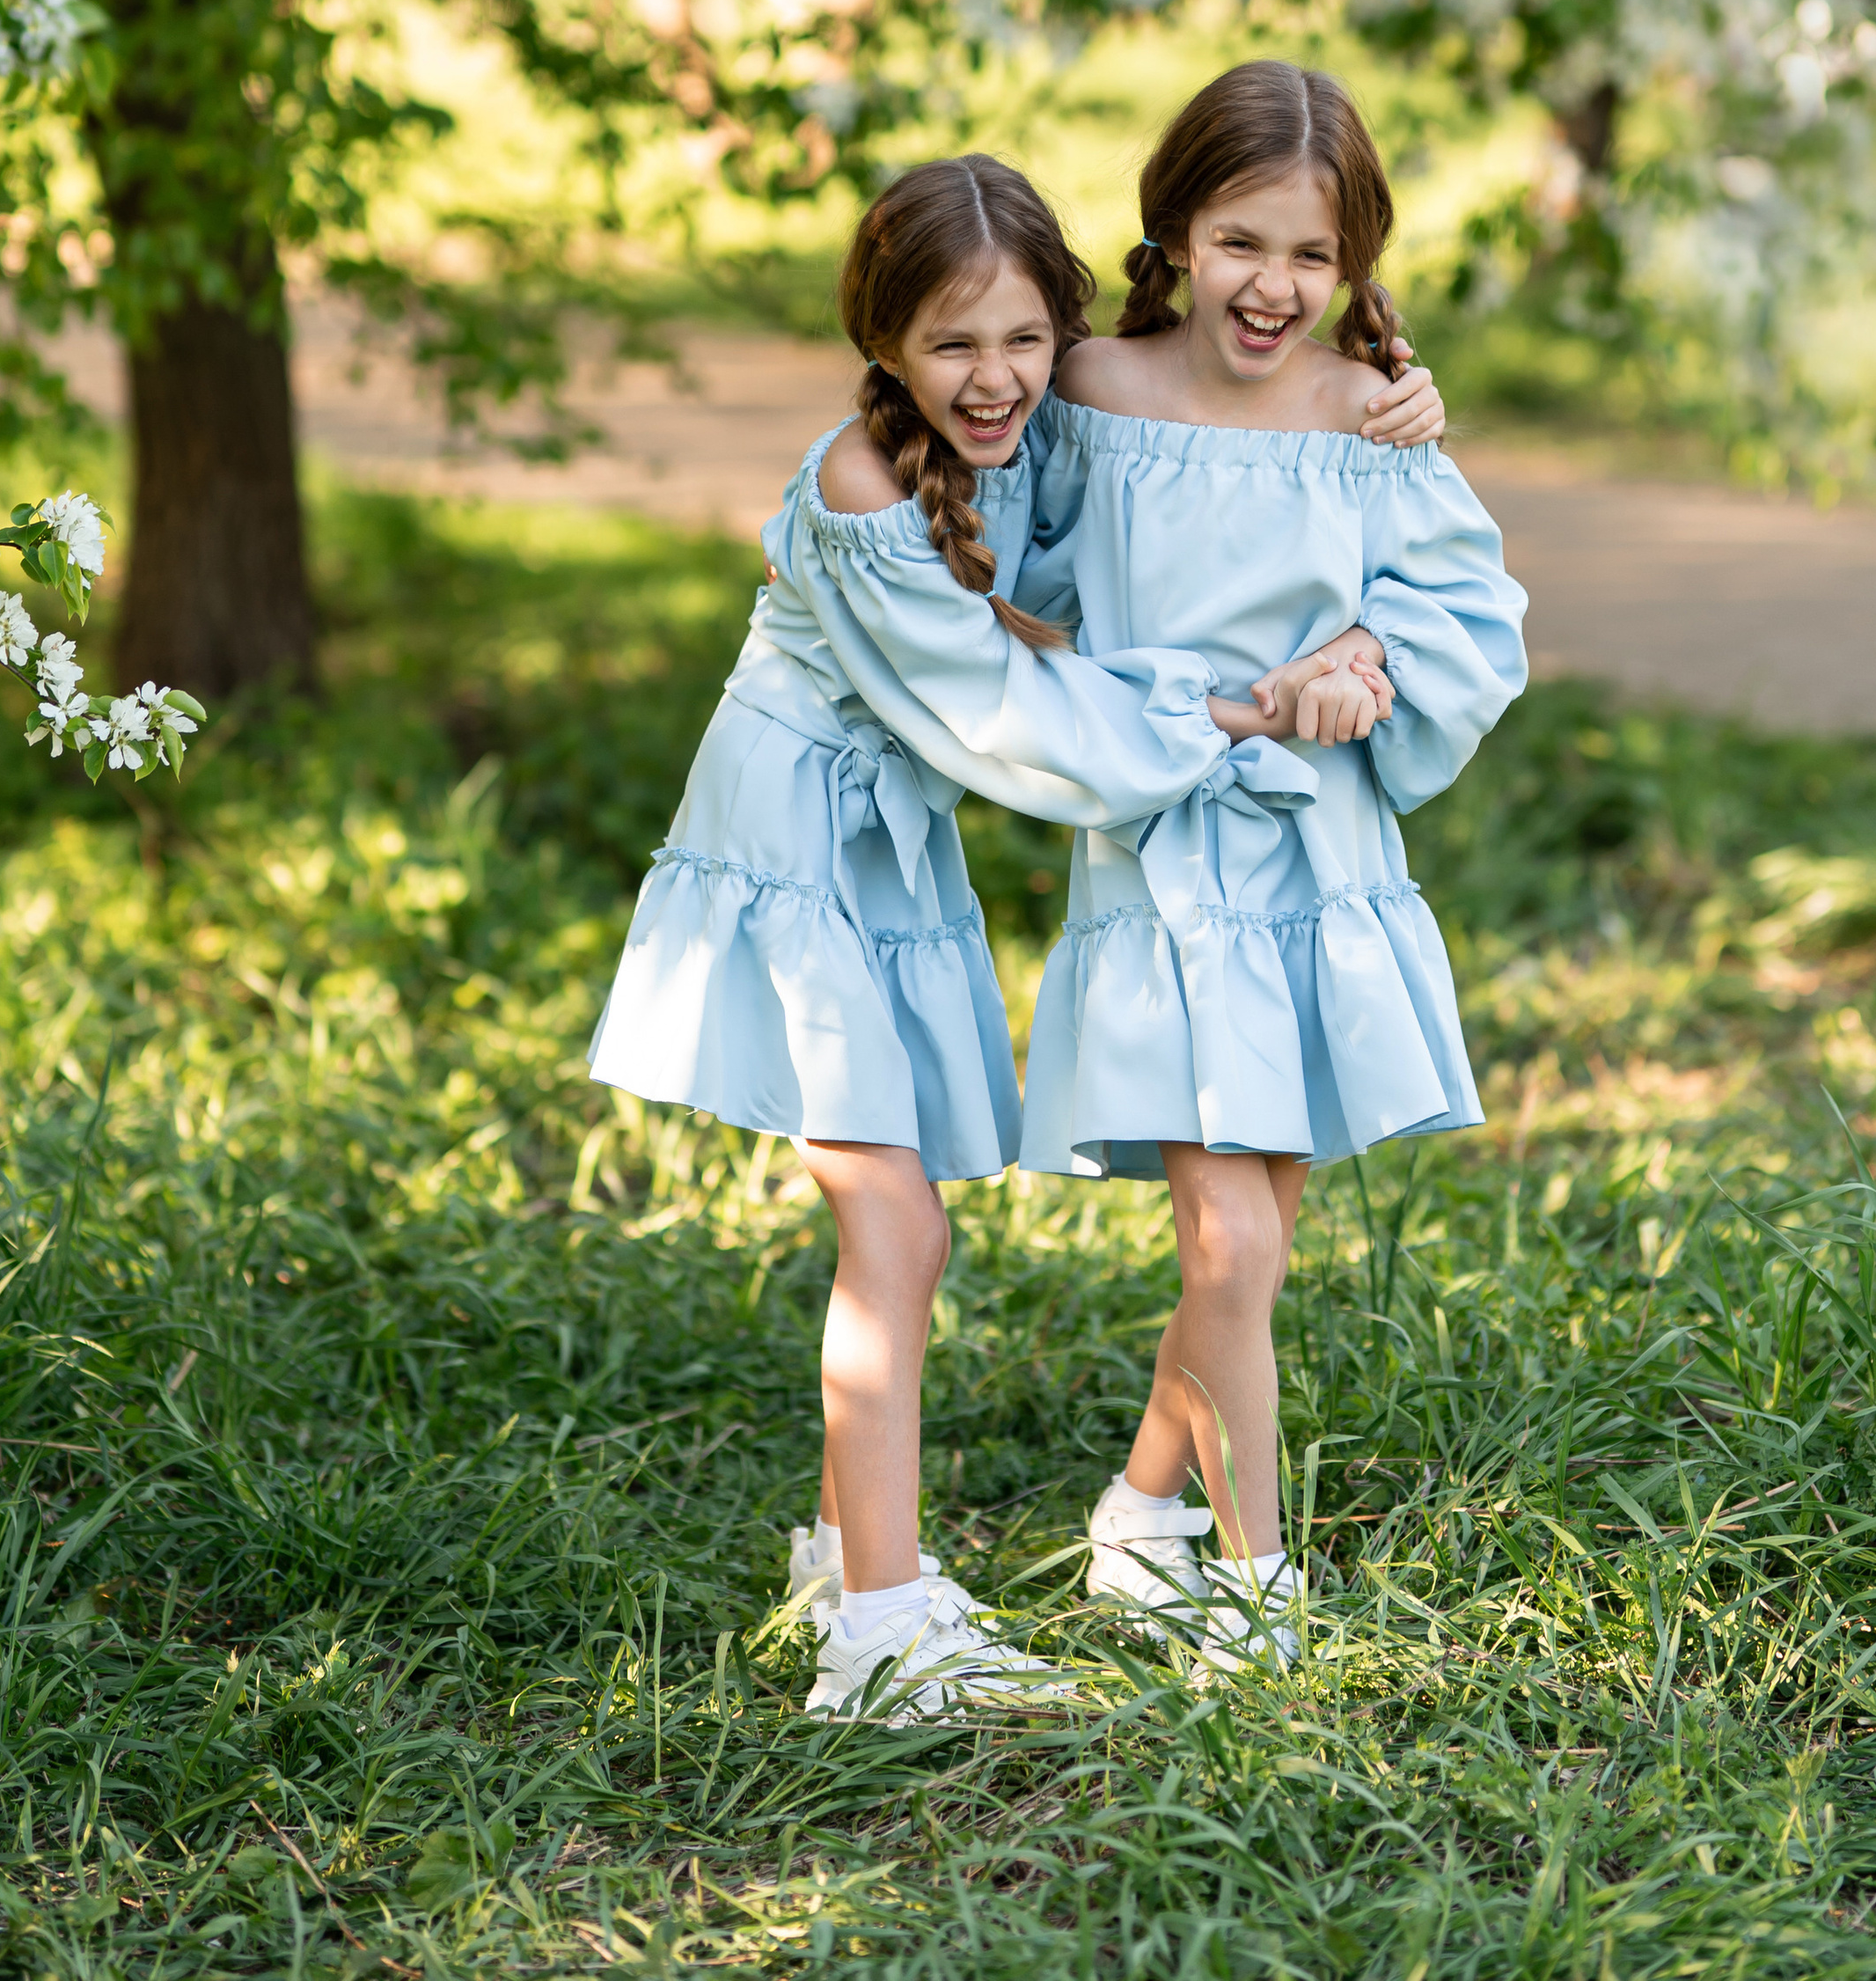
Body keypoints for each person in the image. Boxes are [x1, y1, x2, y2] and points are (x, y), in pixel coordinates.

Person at [586, 150, 1441, 1721]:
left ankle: (853, 1556)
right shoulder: (860, 484)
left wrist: (1384, 381)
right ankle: (880, 1631)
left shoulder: (1041, 423)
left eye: (1023, 342)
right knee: (899, 1234)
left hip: (886, 853)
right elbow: (999, 712)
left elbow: (1201, 435)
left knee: (923, 1229)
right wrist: (1239, 708)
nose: (994, 380)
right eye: (952, 346)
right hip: (794, 848)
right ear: (887, 342)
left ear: (1064, 330)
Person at [1017, 62, 1528, 1673]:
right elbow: (999, 579)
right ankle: (1253, 1590)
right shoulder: (1091, 391)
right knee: (1229, 1248)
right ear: (1178, 227)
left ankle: (1138, 1514)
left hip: (1320, 861)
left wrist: (1366, 654)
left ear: (1355, 265)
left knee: (1258, 1252)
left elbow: (1470, 614)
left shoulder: (1366, 418)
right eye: (1242, 243)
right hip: (1166, 857)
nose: (1273, 287)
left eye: (1313, 257)